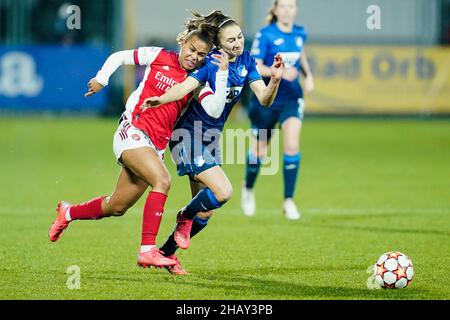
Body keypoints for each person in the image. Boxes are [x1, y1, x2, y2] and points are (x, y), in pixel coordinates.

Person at [48, 22, 215, 269]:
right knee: (163, 180)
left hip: (155, 145)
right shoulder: (159, 55)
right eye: (191, 49)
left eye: (201, 55)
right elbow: (120, 56)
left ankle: (68, 212)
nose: (194, 57)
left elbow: (212, 106)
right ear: (182, 42)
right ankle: (147, 250)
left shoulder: (197, 79)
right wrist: (102, 78)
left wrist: (221, 81)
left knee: (116, 206)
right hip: (133, 130)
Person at [141, 11, 285, 275]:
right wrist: (161, 99)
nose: (238, 43)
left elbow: (264, 99)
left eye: (240, 37)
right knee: (223, 192)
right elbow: (184, 87)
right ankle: (184, 215)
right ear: (219, 44)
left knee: (205, 213)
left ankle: (166, 254)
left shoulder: (246, 61)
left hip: (209, 140)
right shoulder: (210, 65)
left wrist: (274, 79)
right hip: (187, 136)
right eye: (230, 40)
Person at [242, 0, 314, 220]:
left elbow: (300, 54)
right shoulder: (266, 35)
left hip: (292, 98)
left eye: (291, 6)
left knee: (292, 145)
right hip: (267, 98)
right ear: (275, 10)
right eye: (282, 6)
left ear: (296, 10)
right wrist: (276, 72)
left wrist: (308, 75)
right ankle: (248, 188)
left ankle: (289, 200)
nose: (287, 10)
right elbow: (253, 65)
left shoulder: (300, 33)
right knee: (259, 152)